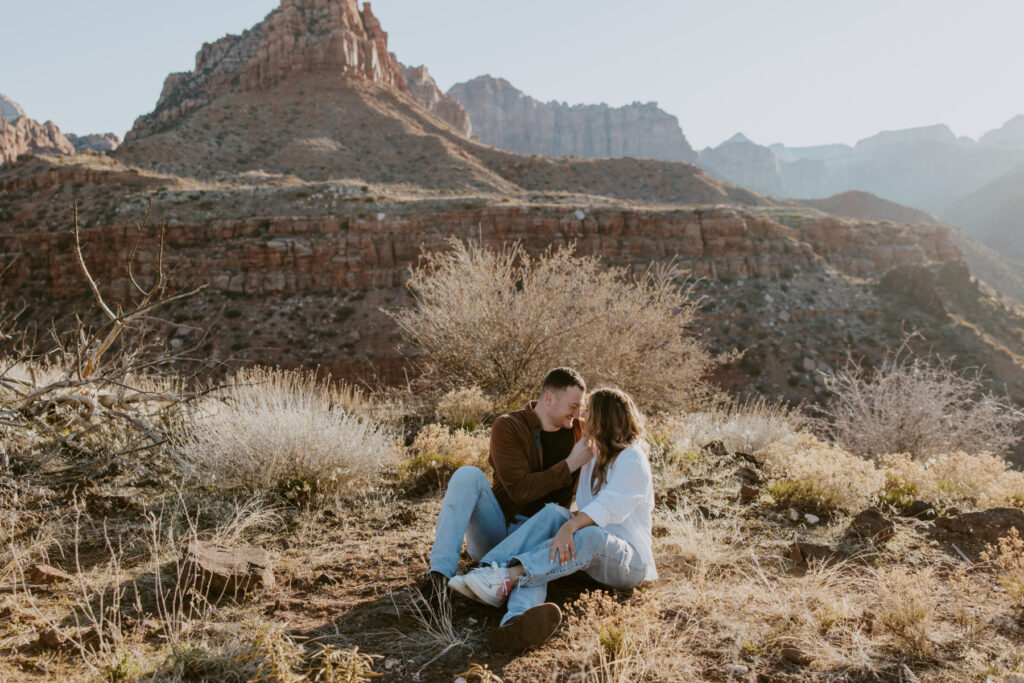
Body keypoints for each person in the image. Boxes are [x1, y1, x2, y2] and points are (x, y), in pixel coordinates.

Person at [449, 388, 657, 652]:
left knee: (582, 534)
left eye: (589, 411)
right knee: (552, 516)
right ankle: (510, 610)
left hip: (628, 562)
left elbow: (608, 507)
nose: (583, 415)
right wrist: (562, 523)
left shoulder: (632, 457)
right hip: (589, 555)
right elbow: (576, 507)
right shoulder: (593, 456)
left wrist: (569, 527)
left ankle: (507, 577)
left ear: (603, 418)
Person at [426, 368, 594, 590]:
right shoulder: (509, 426)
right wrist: (571, 464)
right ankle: (438, 576)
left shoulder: (581, 433)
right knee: (468, 475)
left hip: (539, 538)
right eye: (573, 406)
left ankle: (486, 576)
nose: (578, 413)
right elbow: (519, 489)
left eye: (581, 407)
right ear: (549, 398)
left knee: (555, 512)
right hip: (497, 531)